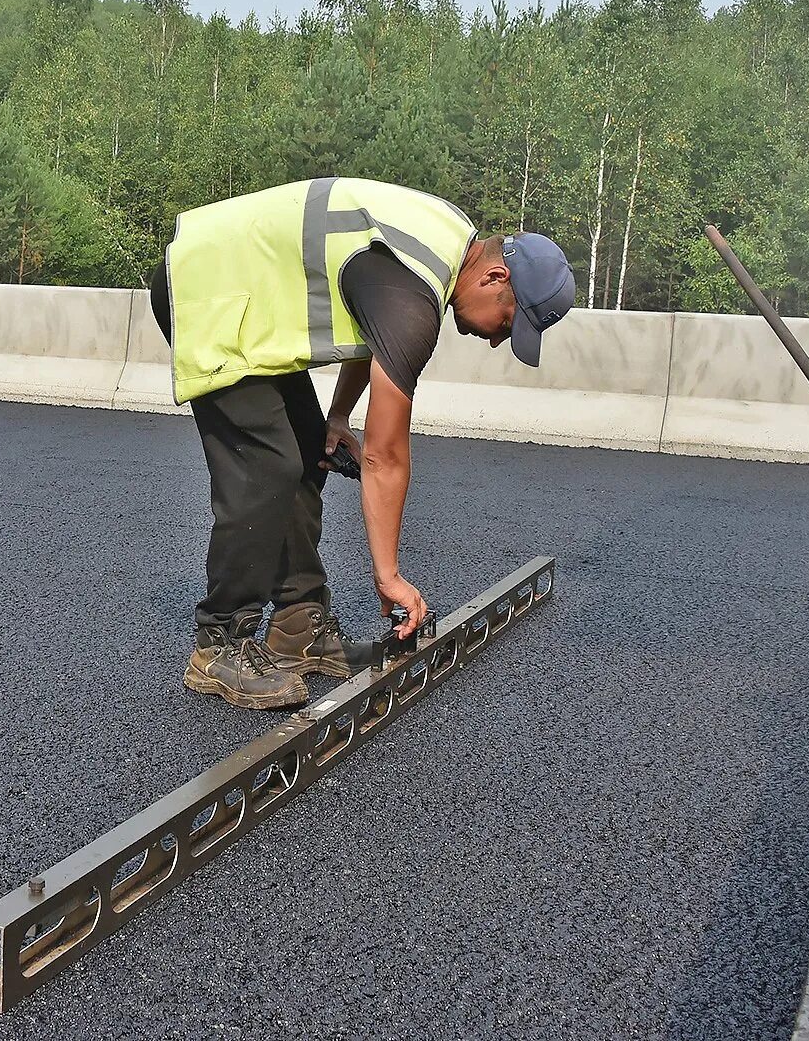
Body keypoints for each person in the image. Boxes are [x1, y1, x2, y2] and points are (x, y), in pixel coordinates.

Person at [151, 177, 574, 710]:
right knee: (266, 465)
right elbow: (385, 455)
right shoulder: (416, 294)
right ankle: (218, 644)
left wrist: (335, 416)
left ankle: (296, 626)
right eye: (507, 323)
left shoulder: (441, 245)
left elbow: (371, 329)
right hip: (208, 287)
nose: (495, 339)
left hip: (250, 300)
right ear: (495, 276)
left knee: (307, 454)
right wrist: (389, 577)